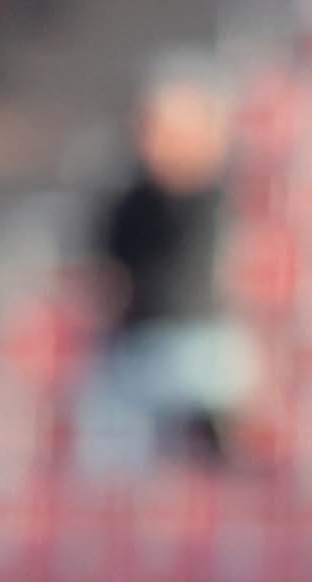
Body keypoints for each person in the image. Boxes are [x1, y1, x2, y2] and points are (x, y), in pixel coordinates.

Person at [91, 60, 239, 463]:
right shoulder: (127, 201)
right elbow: (108, 277)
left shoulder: (215, 197)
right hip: (135, 347)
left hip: (197, 344)